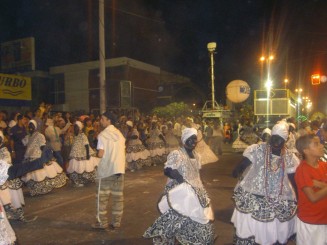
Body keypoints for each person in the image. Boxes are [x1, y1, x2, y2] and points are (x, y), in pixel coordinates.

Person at [231, 121, 299, 245]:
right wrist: (237, 170)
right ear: (270, 137)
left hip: (281, 197)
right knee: (253, 228)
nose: (276, 142)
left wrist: (298, 198)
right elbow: (243, 164)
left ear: (285, 140)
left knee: (275, 230)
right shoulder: (257, 149)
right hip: (254, 194)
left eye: (280, 140)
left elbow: (293, 178)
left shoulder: (289, 156)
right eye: (274, 138)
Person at [143, 127, 215, 244]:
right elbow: (168, 170)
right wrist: (182, 181)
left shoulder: (197, 156)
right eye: (190, 139)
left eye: (195, 139)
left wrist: (199, 185)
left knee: (198, 216)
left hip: (197, 191)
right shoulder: (177, 154)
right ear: (184, 140)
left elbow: (197, 173)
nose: (193, 142)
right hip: (180, 191)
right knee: (178, 217)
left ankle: (196, 239)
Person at [92, 111, 126, 230]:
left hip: (106, 171)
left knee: (101, 199)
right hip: (119, 170)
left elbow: (101, 154)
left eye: (102, 119)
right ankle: (116, 222)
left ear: (109, 121)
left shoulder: (102, 135)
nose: (100, 121)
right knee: (118, 198)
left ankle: (101, 223)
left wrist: (94, 156)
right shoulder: (120, 134)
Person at [295, 134, 327, 245]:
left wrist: (320, 185)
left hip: (324, 219)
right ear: (306, 151)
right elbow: (313, 197)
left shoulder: (324, 165)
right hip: (311, 222)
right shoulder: (303, 170)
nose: (321, 146)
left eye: (320, 143)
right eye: (316, 144)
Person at [21, 120, 67, 196]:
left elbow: (43, 146)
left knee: (40, 174)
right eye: (29, 125)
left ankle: (43, 189)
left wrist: (45, 157)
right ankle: (35, 189)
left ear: (35, 127)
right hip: (29, 157)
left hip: (38, 156)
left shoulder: (39, 135)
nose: (30, 127)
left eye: (32, 125)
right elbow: (24, 144)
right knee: (32, 176)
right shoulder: (28, 137)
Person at [66, 121, 100, 187]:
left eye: (76, 127)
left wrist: (87, 154)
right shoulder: (74, 135)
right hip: (75, 154)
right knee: (75, 167)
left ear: (79, 128)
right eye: (74, 127)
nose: (74, 128)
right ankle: (76, 181)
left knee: (81, 167)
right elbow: (70, 144)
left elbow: (86, 144)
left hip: (82, 154)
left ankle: (81, 180)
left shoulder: (82, 135)